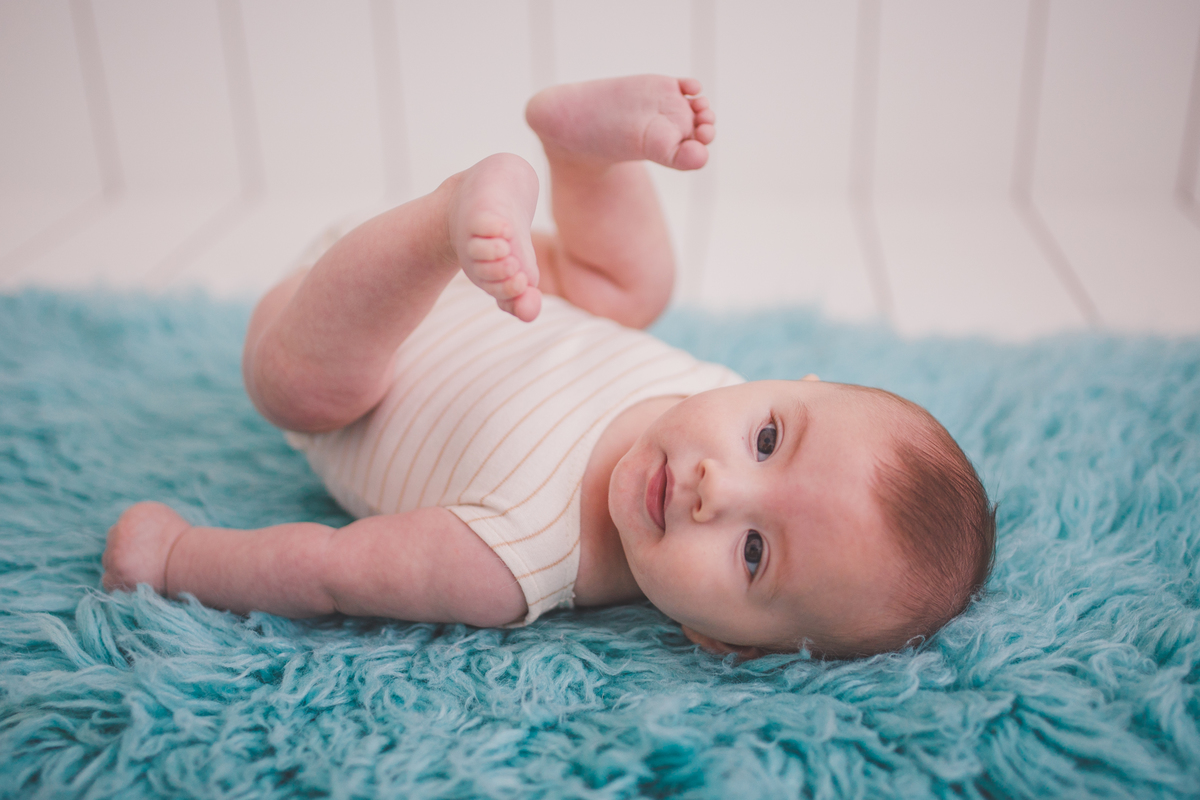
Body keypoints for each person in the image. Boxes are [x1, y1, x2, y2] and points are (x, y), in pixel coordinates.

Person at [102, 75, 994, 659]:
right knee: (634, 287)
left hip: (340, 314)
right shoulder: (708, 385)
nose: (715, 490)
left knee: (304, 391)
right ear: (789, 386)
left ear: (724, 643)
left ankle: (445, 213)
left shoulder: (513, 560)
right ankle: (580, 150)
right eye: (767, 440)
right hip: (498, 270)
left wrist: (183, 558)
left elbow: (329, 569)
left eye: (754, 553)